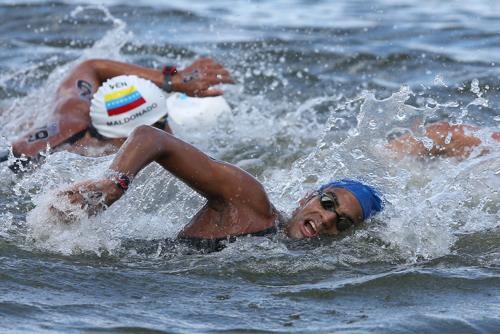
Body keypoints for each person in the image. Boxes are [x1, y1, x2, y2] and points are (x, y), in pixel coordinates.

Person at [56, 117, 499, 252]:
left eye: (340, 222)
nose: (324, 219)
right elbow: (153, 137)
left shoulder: (303, 263)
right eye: (327, 203)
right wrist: (114, 183)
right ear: (308, 195)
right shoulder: (249, 205)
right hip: (98, 259)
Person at [0, 58, 233, 171]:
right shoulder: (118, 166)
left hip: (21, 152)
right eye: (163, 122)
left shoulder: (72, 113)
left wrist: (171, 80)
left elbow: (91, 67)